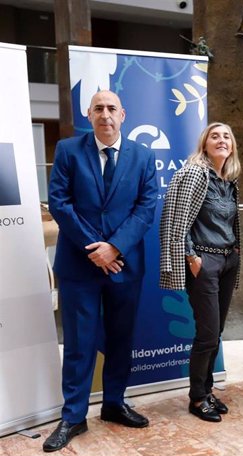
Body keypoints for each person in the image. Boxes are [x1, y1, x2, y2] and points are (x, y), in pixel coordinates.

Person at [45, 90, 157, 452]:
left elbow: (146, 206)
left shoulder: (142, 155)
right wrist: (96, 249)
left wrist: (115, 247)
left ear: (123, 114)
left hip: (125, 264)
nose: (105, 115)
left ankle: (113, 404)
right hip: (81, 264)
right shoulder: (67, 150)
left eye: (111, 108)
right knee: (79, 343)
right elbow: (59, 203)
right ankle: (74, 416)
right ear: (88, 115)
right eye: (98, 109)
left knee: (121, 339)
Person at [159, 122, 241, 422]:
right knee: (207, 334)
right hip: (204, 262)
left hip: (227, 261)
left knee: (215, 332)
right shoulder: (193, 173)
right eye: (215, 136)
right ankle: (196, 398)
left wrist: (234, 251)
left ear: (232, 146)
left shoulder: (229, 179)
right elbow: (176, 218)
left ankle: (207, 391)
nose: (221, 140)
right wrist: (191, 256)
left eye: (226, 136)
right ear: (204, 144)